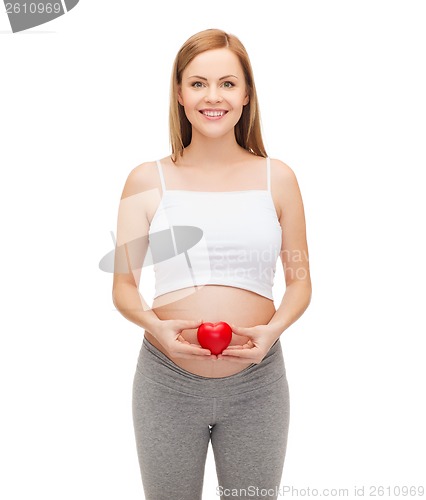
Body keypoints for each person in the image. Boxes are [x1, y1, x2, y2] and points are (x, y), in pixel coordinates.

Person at [112, 28, 311, 500]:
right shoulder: (147, 179)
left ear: (246, 95)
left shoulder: (277, 178)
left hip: (258, 386)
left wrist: (272, 332)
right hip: (166, 383)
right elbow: (123, 285)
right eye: (198, 83)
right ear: (179, 94)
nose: (212, 96)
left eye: (227, 83)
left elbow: (300, 282)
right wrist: (153, 327)